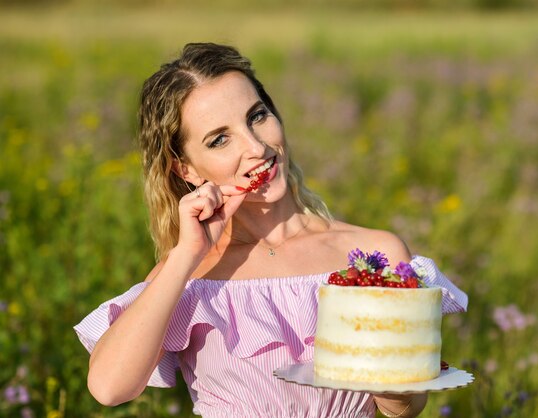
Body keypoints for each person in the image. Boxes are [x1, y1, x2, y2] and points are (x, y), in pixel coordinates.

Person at [74, 42, 468, 418]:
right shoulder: (191, 275)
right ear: (186, 169)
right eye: (220, 139)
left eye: (257, 116)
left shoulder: (373, 254)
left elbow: (405, 407)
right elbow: (110, 389)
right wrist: (185, 255)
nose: (257, 147)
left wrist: (392, 383)